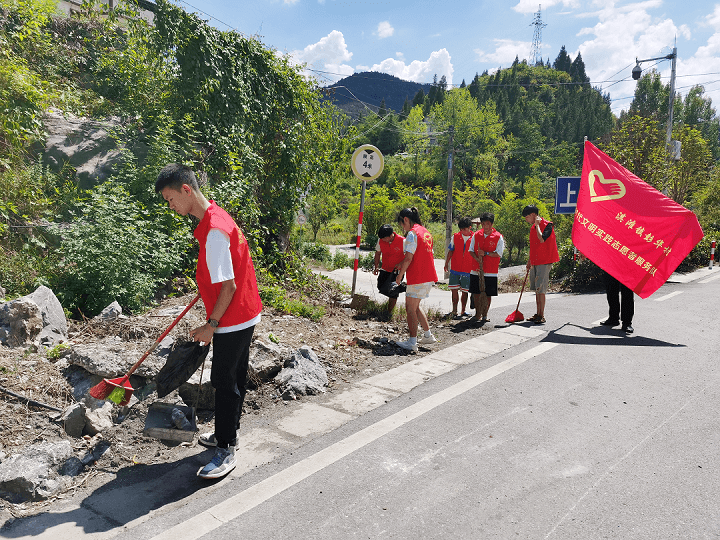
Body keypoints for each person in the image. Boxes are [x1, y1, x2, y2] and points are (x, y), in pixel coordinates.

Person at [155, 164, 262, 480]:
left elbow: (227, 286)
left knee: (224, 381)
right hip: (244, 310)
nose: (170, 206)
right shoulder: (215, 216)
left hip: (232, 316)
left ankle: (226, 448)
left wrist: (210, 324)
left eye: (171, 199)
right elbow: (227, 274)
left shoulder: (214, 231)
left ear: (186, 190)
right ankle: (230, 432)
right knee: (235, 376)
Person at [394, 207, 438, 352]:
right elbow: (420, 254)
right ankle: (428, 335)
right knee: (416, 306)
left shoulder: (412, 234)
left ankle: (412, 342)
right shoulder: (425, 232)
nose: (402, 227)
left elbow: (409, 258)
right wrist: (401, 264)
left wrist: (399, 276)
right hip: (428, 275)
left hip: (418, 276)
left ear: (405, 219)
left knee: (409, 308)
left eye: (401, 223)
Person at [522, 204, 559, 324]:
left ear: (533, 215)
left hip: (545, 261)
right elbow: (533, 246)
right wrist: (529, 261)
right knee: (537, 288)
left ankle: (541, 315)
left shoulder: (548, 225)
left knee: (541, 289)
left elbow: (542, 239)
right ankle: (537, 313)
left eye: (527, 217)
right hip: (535, 261)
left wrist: (537, 225)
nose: (526, 220)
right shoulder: (533, 227)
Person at [468, 212, 504, 322]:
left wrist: (486, 254)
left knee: (488, 294)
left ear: (492, 224)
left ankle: (485, 315)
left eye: (488, 223)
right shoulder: (476, 235)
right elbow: (471, 251)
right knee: (476, 293)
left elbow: (498, 253)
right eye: (483, 224)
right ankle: (477, 314)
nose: (485, 226)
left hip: (490, 271)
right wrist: (477, 258)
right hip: (476, 270)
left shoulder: (498, 237)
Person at [443, 217, 474, 319]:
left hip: (468, 270)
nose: (463, 231)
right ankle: (454, 310)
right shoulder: (455, 237)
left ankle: (463, 310)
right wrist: (446, 263)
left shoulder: (474, 238)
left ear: (470, 228)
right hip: (455, 269)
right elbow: (451, 251)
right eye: (461, 229)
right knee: (454, 290)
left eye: (465, 229)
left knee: (465, 291)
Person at [373, 224, 406, 316]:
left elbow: (409, 256)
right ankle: (402, 288)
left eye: (384, 238)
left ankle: (389, 312)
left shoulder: (403, 241)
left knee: (393, 292)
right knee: (381, 287)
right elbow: (378, 253)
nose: (383, 240)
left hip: (397, 271)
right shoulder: (380, 240)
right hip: (385, 268)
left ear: (391, 235)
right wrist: (376, 266)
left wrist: (401, 264)